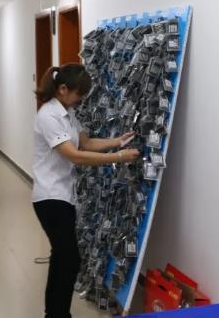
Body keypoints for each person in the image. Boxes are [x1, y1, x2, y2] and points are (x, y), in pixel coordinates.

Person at [32, 63, 140, 318]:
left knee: (64, 258)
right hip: (50, 197)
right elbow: (74, 155)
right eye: (79, 94)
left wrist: (117, 142)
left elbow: (87, 143)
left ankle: (56, 314)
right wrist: (118, 157)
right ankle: (57, 314)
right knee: (68, 259)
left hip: (63, 196)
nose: (81, 99)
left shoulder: (67, 113)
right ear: (63, 89)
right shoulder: (49, 116)